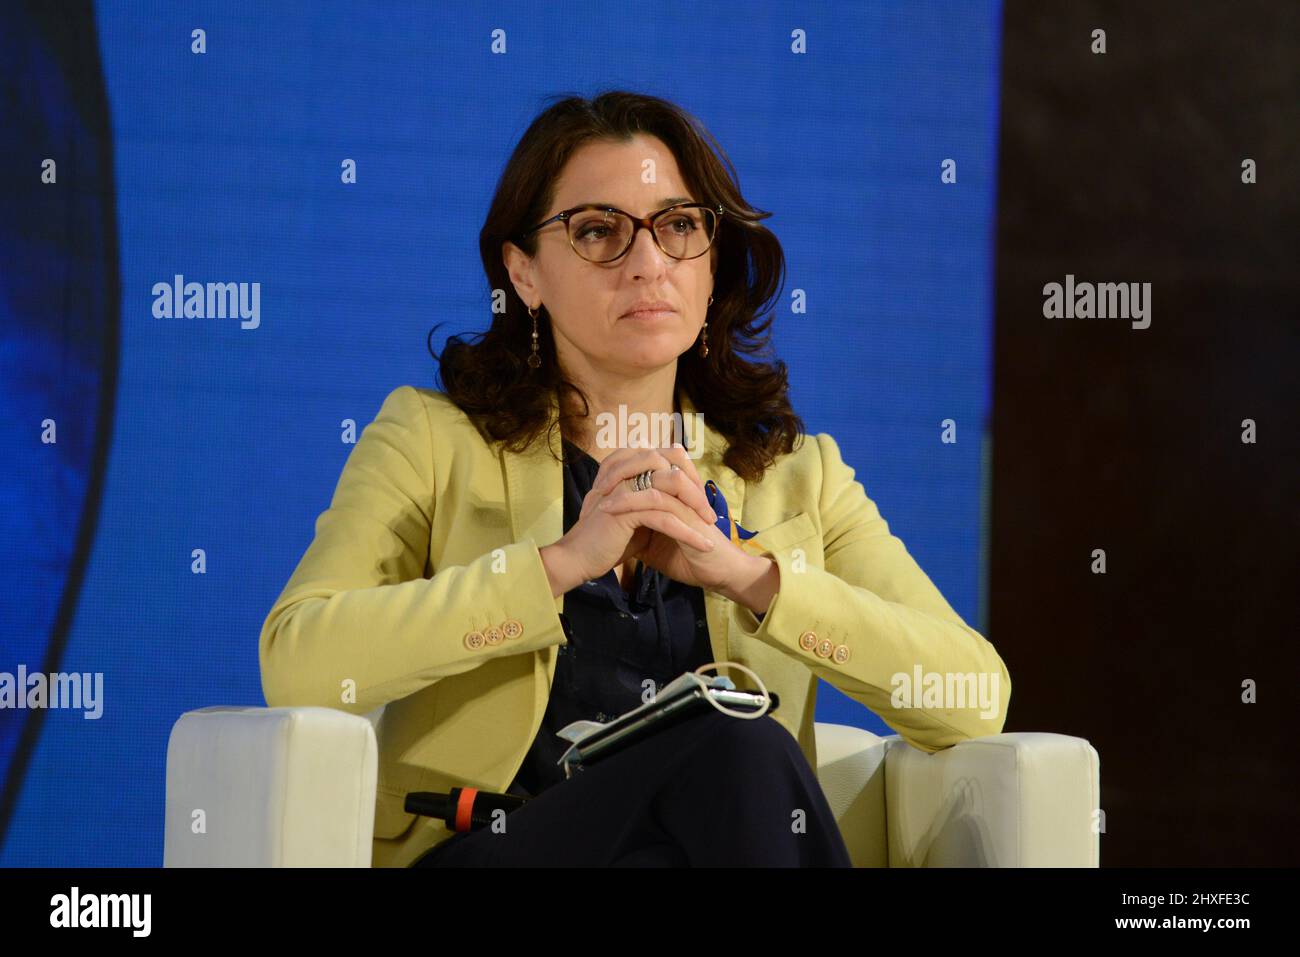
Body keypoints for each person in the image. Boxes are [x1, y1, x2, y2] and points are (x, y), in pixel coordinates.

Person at [258, 90, 1012, 868]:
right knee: (739, 746)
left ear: (711, 262)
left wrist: (753, 579)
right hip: (494, 848)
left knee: (715, 787)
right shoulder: (433, 438)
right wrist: (555, 567)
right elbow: (300, 660)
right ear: (523, 273)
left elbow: (973, 694)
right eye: (598, 231)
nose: (649, 263)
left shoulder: (796, 474)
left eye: (679, 226)